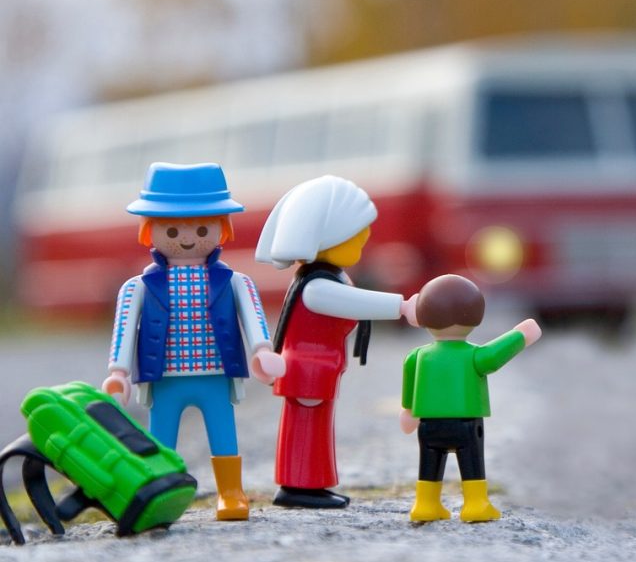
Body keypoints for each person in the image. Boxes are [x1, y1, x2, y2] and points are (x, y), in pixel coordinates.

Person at [103, 162, 285, 521]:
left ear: (222, 228)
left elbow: (253, 317)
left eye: (201, 228)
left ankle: (231, 492)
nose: (187, 237)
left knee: (223, 433)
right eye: (171, 228)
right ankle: (161, 491)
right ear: (149, 231)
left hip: (216, 372)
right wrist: (119, 372)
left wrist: (262, 350)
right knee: (161, 440)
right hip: (164, 375)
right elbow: (124, 328)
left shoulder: (236, 281)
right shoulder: (137, 287)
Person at [255, 175, 418, 509]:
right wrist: (401, 306)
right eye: (355, 240)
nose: (361, 247)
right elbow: (353, 302)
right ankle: (298, 486)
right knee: (307, 432)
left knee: (318, 431)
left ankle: (313, 485)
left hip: (319, 369)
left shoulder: (324, 279)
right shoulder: (317, 287)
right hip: (308, 370)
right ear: (329, 237)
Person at [400, 274, 541, 522]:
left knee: (429, 463)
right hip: (465, 423)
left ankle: (425, 504)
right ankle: (475, 504)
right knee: (471, 462)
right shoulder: (473, 355)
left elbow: (409, 381)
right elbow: (493, 357)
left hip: (429, 425)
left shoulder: (418, 355)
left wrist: (408, 411)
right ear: (475, 314)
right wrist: (521, 336)